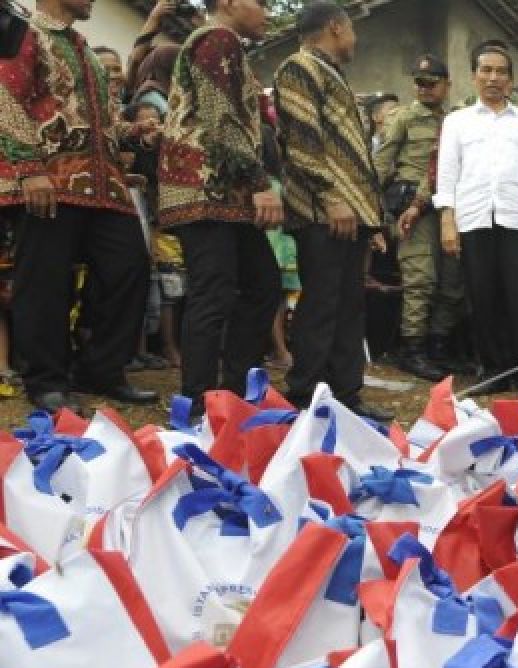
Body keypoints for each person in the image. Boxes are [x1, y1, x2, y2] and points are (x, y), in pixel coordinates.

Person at [0, 0, 159, 412]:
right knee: (46, 281)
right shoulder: (24, 32)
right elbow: (5, 97)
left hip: (105, 184)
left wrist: (131, 129)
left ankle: (101, 369)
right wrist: (28, 166)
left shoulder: (85, 47)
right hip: (50, 178)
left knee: (130, 266)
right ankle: (46, 380)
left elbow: (96, 118)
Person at [159, 0, 283, 415]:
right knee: (214, 292)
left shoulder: (224, 43)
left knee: (262, 283)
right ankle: (197, 399)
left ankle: (233, 388)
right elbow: (220, 119)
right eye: (260, 3)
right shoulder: (217, 39)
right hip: (206, 188)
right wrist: (259, 183)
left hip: (224, 191)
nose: (266, 11)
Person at [272, 2, 388, 420]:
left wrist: (370, 214)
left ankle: (346, 396)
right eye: (352, 29)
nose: (355, 38)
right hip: (324, 210)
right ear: (336, 28)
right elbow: (303, 141)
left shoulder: (330, 73)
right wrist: (332, 197)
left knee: (347, 306)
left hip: (350, 211)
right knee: (321, 304)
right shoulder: (299, 67)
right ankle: (306, 395)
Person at [434, 43, 518, 395]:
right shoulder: (456, 121)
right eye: (486, 70)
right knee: (483, 297)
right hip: (474, 219)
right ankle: (494, 372)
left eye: (501, 72)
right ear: (474, 76)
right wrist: (449, 220)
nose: (493, 78)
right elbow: (447, 176)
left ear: (510, 80)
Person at [373, 54, 455, 381]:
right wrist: (374, 214)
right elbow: (381, 165)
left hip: (448, 205)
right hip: (412, 209)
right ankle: (413, 351)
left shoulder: (455, 121)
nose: (424, 89)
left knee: (453, 284)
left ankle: (438, 346)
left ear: (446, 85)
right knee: (420, 279)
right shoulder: (404, 118)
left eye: (431, 83)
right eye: (419, 83)